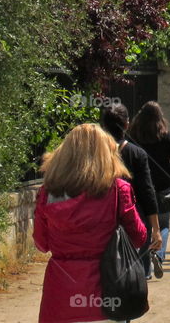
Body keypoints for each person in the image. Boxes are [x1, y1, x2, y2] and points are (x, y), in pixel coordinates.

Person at [34, 123, 148, 323]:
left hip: (60, 296)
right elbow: (139, 237)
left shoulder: (47, 193)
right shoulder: (118, 190)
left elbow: (41, 244)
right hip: (108, 293)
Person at [99, 104, 162, 271]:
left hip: (101, 218)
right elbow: (147, 191)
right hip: (134, 217)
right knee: (137, 270)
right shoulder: (136, 153)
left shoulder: (95, 154)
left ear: (103, 126)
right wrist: (155, 228)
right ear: (127, 124)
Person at [127, 101, 170, 279]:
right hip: (164, 187)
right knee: (164, 224)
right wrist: (169, 169)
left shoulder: (132, 136)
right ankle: (158, 254)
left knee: (144, 227)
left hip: (139, 186)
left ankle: (145, 270)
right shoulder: (168, 137)